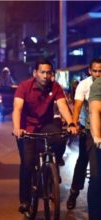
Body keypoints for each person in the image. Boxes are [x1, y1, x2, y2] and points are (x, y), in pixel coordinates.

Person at [12, 59, 78, 214]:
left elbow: (62, 105)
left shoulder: (55, 87)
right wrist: (16, 128)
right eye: (42, 72)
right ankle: (25, 201)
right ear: (35, 73)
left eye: (49, 72)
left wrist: (70, 124)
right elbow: (17, 108)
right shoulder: (24, 87)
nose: (45, 75)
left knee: (61, 137)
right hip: (26, 128)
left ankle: (54, 165)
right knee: (27, 164)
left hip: (45, 125)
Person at [66, 58, 101, 210]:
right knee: (83, 161)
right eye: (95, 71)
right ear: (89, 71)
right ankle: (74, 192)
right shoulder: (84, 85)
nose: (98, 74)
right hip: (87, 129)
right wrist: (73, 123)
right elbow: (78, 106)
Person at [87, 76, 101, 220]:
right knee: (97, 178)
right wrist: (97, 137)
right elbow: (94, 110)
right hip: (98, 133)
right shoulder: (99, 84)